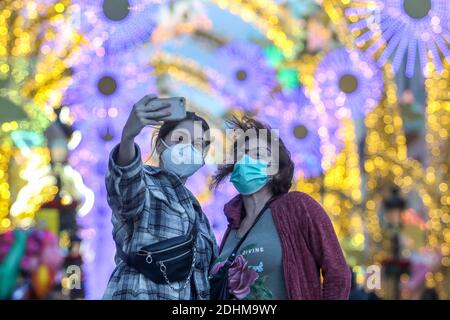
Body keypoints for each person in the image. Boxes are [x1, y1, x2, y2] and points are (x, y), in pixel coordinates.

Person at [210, 116, 351, 300]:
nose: (246, 161)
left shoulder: (298, 207)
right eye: (241, 156)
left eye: (258, 154)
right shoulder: (232, 226)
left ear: (276, 171)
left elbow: (338, 274)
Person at [103, 94, 218, 300]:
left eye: (199, 144)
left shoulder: (198, 213)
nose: (190, 148)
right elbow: (126, 188)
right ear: (160, 144)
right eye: (180, 139)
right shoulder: (145, 183)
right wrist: (128, 137)